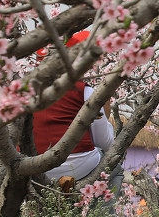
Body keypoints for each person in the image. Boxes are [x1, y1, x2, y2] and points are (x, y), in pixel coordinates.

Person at [32, 31, 116, 195]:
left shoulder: (22, 92)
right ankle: (100, 212)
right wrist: (106, 113)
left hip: (32, 168)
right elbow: (105, 143)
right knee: (113, 166)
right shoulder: (85, 92)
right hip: (77, 166)